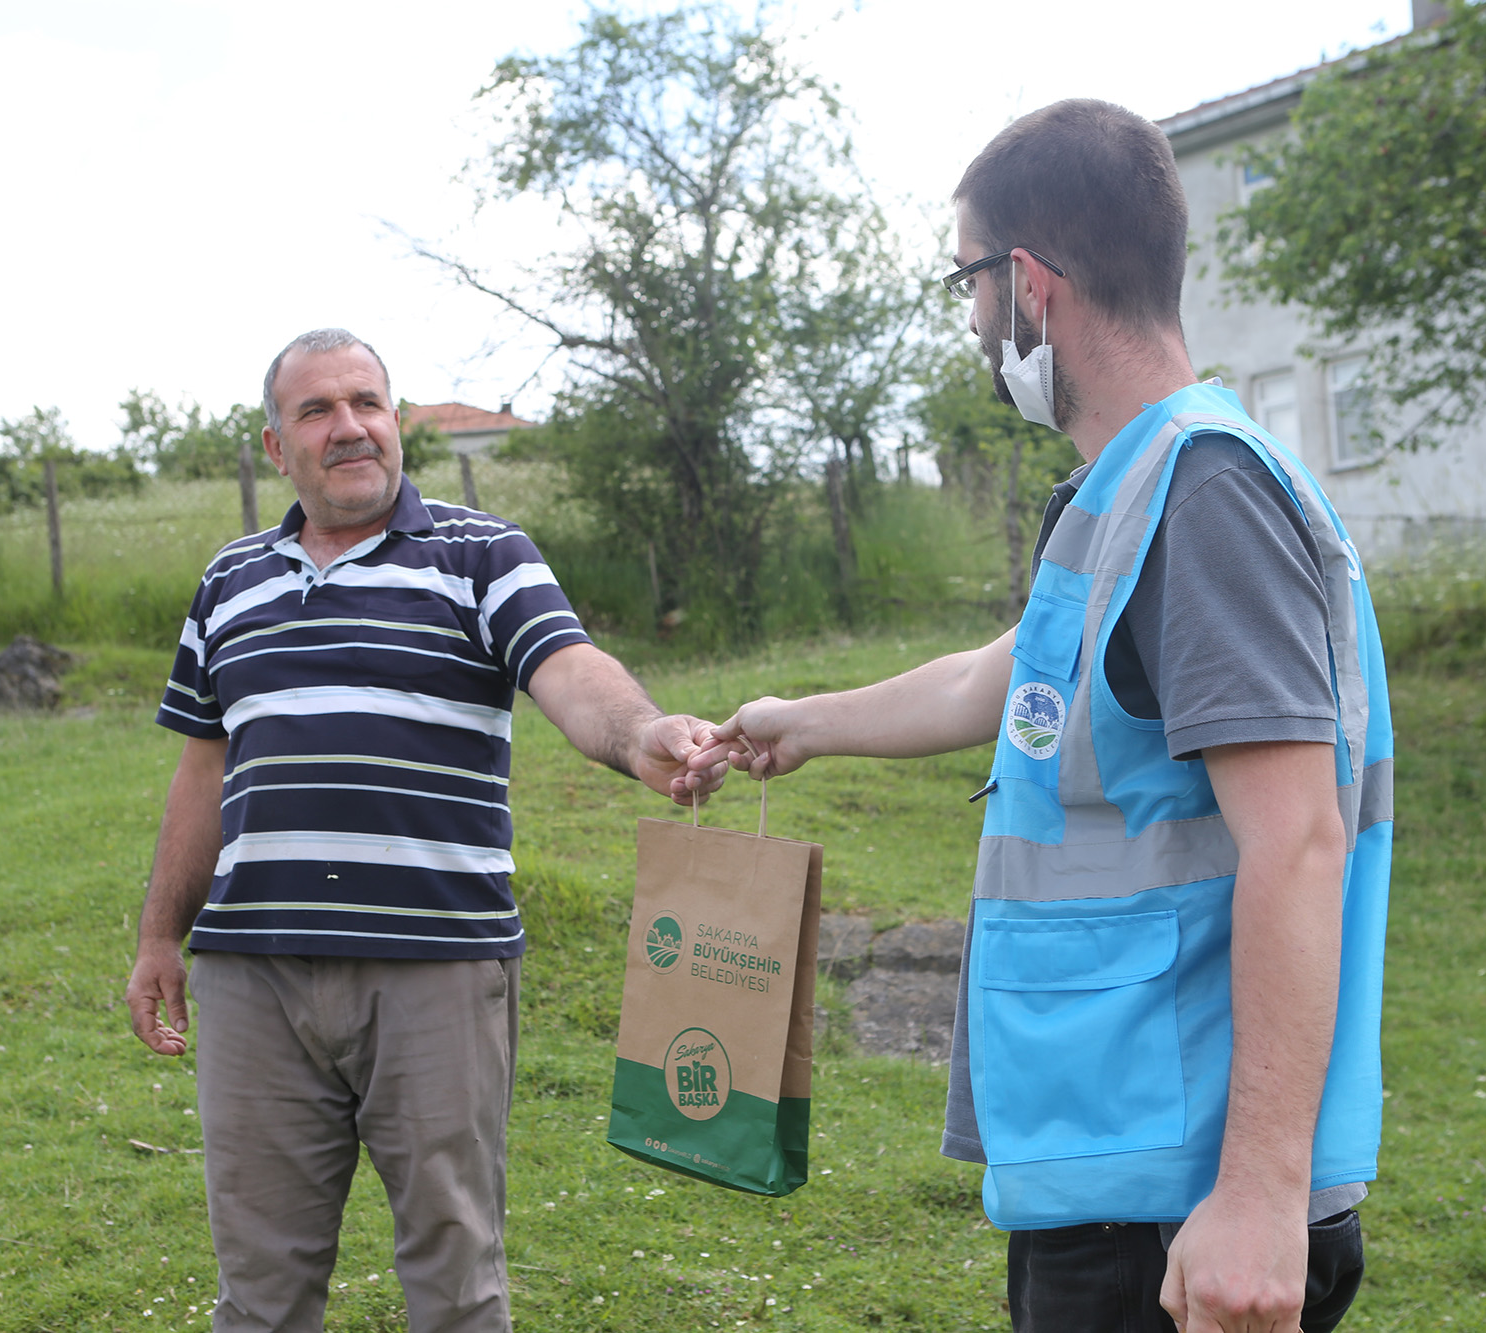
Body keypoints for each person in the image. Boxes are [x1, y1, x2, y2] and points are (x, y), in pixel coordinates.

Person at [698, 100, 1392, 1333]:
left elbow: (1298, 839)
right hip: (1115, 1166)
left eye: (967, 281)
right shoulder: (1127, 487)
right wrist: (798, 721)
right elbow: (1003, 677)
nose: (971, 319)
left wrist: (1256, 1194)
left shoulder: (1203, 493)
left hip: (1178, 1208)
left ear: (1025, 281)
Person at [125, 327, 725, 1333]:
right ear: (277, 447)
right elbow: (202, 768)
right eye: (316, 409)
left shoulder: (482, 554)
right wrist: (156, 934)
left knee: (455, 1281)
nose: (349, 426)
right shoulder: (230, 580)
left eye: (367, 401)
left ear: (395, 421)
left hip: (434, 973)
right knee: (258, 1293)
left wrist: (643, 735)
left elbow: (570, 672)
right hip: (251, 979)